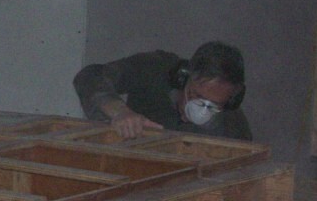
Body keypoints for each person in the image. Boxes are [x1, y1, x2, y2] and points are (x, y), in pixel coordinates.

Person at [73, 41, 251, 141]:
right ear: (184, 76)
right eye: (197, 96)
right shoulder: (156, 69)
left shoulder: (233, 126)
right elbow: (90, 77)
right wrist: (120, 111)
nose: (202, 110)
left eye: (214, 106)